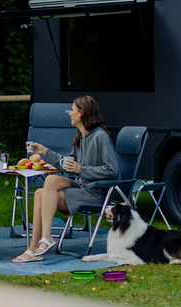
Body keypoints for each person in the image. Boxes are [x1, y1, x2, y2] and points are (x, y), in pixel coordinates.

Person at [13, 95, 118, 262]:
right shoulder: (81, 136)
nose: (70, 114)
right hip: (83, 187)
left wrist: (81, 169)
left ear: (82, 113)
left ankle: (40, 244)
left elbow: (112, 170)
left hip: (96, 193)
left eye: (73, 110)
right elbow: (68, 163)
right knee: (49, 182)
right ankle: (36, 246)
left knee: (42, 193)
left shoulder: (100, 137)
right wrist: (45, 152)